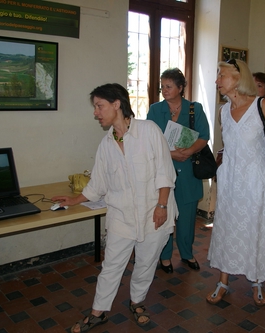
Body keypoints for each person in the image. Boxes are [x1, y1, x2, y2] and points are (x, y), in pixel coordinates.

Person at [52, 83, 178, 332]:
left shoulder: (148, 131)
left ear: (117, 104)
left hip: (154, 211)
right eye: (96, 107)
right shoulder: (106, 145)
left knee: (146, 261)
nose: (96, 112)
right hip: (122, 214)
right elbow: (97, 185)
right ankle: (98, 313)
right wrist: (74, 200)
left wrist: (162, 206)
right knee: (111, 265)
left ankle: (137, 302)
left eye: (99, 106)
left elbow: (165, 172)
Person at [206, 59, 265, 307]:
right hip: (231, 181)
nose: (217, 81)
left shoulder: (262, 106)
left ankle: (257, 282)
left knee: (256, 230)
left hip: (257, 183)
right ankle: (223, 281)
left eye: (221, 75)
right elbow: (230, 148)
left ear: (238, 77)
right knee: (226, 229)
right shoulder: (223, 111)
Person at [146, 68, 210, 273]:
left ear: (180, 88)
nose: (164, 90)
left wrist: (189, 151)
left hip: (188, 171)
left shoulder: (195, 109)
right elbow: (149, 141)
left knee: (187, 216)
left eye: (168, 86)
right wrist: (173, 155)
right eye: (162, 86)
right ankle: (164, 257)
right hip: (163, 170)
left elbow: (204, 136)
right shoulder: (155, 110)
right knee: (164, 214)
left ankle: (187, 253)